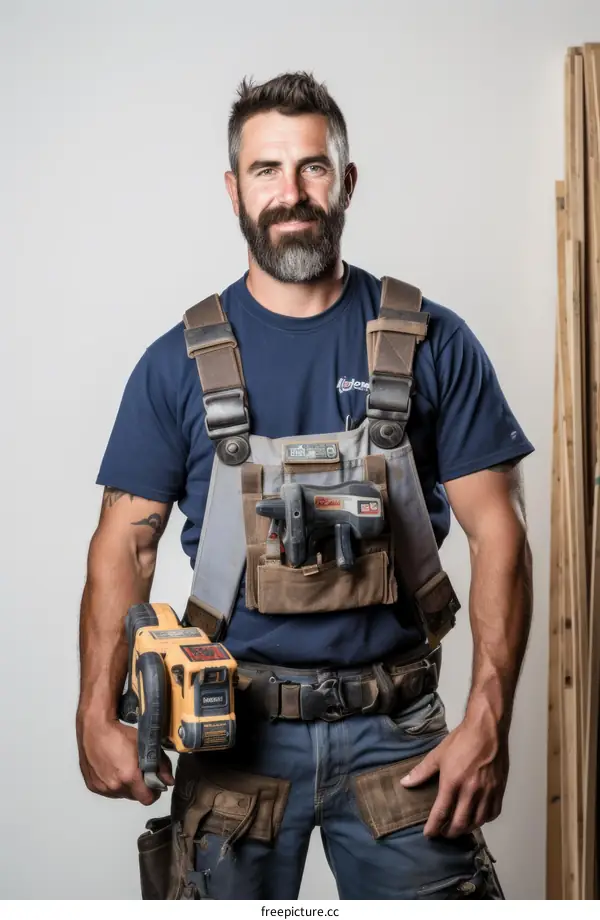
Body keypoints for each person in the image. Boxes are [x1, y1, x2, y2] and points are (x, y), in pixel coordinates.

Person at [76, 71, 534, 900]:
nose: (291, 193)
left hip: (401, 731)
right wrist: (94, 709)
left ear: (346, 180)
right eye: (265, 170)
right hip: (230, 734)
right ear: (233, 190)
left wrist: (487, 718)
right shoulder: (176, 364)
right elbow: (124, 543)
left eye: (313, 167)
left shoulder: (433, 342)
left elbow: (499, 533)